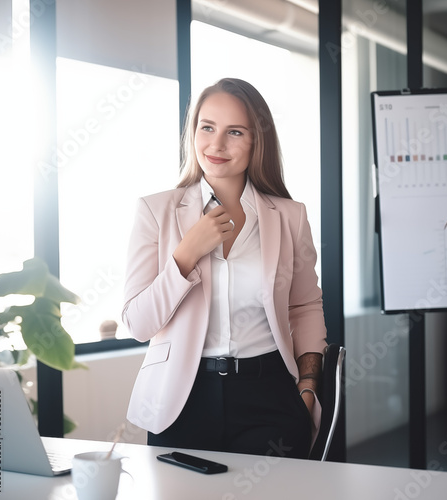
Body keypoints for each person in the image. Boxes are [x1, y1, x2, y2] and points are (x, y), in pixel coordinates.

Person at [123, 77, 328, 459]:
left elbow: (305, 306)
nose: (216, 145)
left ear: (257, 141)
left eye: (234, 132)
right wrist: (184, 256)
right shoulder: (155, 211)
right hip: (181, 400)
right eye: (207, 127)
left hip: (270, 398)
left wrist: (307, 387)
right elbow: (137, 324)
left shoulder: (289, 216)